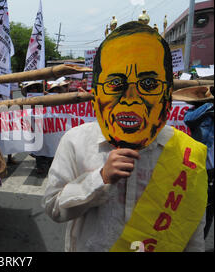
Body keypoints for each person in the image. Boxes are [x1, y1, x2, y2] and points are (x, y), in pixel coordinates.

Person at [43, 21, 207, 252]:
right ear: (96, 92)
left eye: (148, 84)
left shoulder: (187, 154)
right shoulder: (76, 141)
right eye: (115, 83)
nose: (130, 98)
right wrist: (100, 179)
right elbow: (53, 207)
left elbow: (192, 233)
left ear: (167, 95)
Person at [174, 86, 214, 240]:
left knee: (209, 214)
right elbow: (188, 119)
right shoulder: (197, 113)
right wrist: (211, 105)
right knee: (196, 212)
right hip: (203, 170)